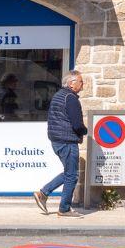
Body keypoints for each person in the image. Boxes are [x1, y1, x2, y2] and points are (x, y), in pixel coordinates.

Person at [35, 71, 87, 215]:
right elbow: (77, 125)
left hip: (57, 140)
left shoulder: (59, 95)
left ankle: (43, 193)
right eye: (81, 82)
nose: (83, 85)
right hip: (67, 141)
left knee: (69, 173)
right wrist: (85, 131)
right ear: (71, 83)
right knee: (72, 175)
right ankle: (64, 209)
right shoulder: (71, 98)